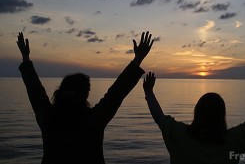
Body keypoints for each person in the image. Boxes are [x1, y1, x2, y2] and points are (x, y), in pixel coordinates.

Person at [17, 31, 154, 164]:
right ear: (85, 95)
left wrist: (25, 58)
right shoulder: (94, 120)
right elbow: (117, 92)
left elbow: (34, 89)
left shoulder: (48, 118)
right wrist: (138, 58)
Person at [143, 72, 245, 164]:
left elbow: (158, 117)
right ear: (222, 116)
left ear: (197, 112)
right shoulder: (234, 140)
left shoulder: (178, 134)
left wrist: (149, 92)